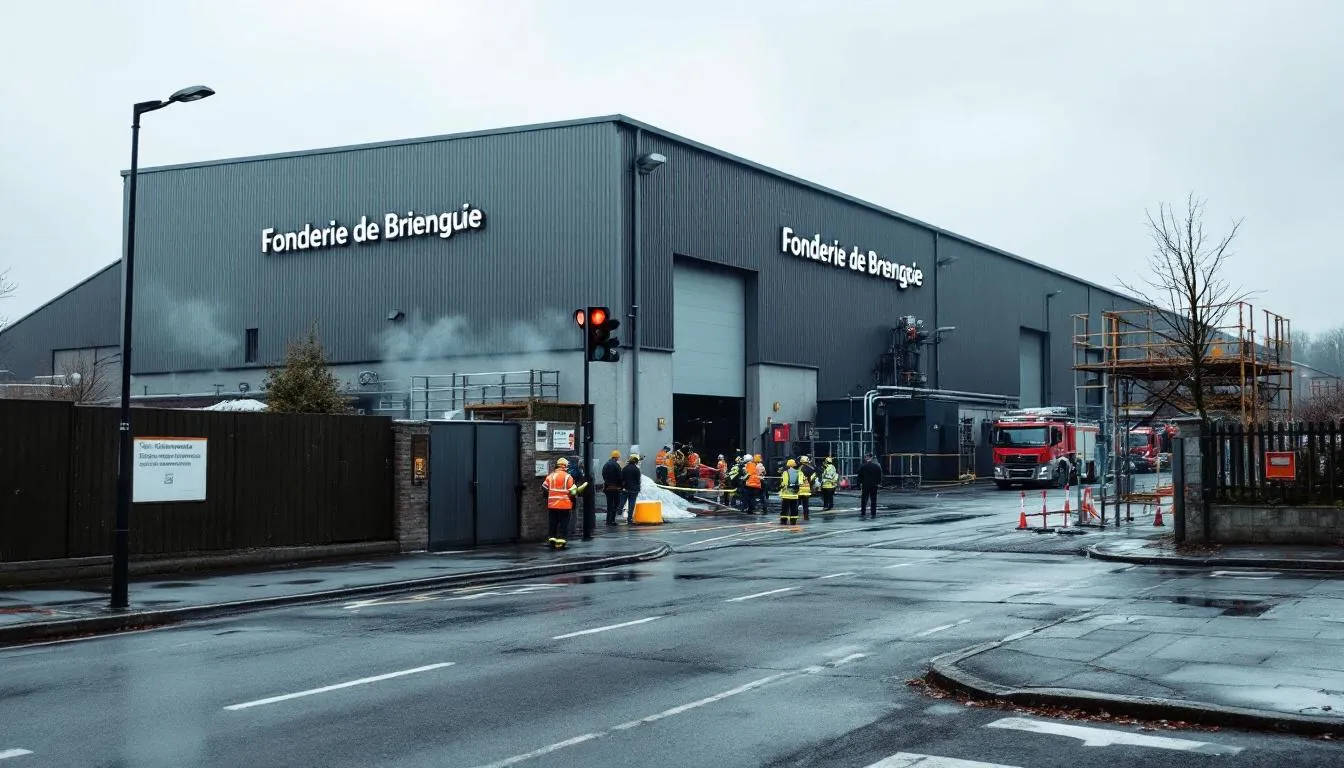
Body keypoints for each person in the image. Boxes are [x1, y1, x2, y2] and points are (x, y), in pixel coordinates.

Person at [543, 458, 577, 549]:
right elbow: (572, 491)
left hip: (552, 504)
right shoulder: (568, 477)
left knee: (553, 523)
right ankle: (561, 541)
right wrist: (573, 503)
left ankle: (552, 539)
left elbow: (544, 487)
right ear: (565, 466)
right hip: (564, 505)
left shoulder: (551, 476)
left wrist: (549, 496)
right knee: (564, 523)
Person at [567, 454, 595, 541]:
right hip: (574, 493)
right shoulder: (578, 471)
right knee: (574, 513)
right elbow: (582, 482)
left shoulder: (567, 471)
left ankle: (568, 529)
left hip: (565, 496)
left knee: (567, 514)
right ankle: (573, 529)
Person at [602, 450, 624, 526]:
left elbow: (604, 475)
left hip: (608, 488)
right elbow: (620, 477)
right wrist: (621, 486)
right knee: (616, 504)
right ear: (617, 457)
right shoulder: (616, 465)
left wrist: (607, 483)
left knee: (609, 505)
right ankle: (612, 520)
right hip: (615, 488)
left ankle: (608, 521)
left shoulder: (606, 464)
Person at [858, 452, 882, 519]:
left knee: (864, 499)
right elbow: (879, 476)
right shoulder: (876, 466)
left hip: (865, 485)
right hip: (874, 485)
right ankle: (873, 512)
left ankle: (863, 512)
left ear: (866, 458)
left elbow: (859, 476)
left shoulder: (862, 466)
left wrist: (859, 484)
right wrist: (878, 483)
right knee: (873, 499)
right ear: (871, 458)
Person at [621, 453, 643, 523]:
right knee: (631, 504)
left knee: (622, 502)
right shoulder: (636, 469)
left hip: (625, 488)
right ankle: (629, 518)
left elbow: (622, 478)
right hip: (634, 490)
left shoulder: (624, 468)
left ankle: (617, 513)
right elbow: (638, 480)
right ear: (635, 462)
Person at [778, 458, 801, 525]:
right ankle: (793, 520)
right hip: (794, 494)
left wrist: (781, 486)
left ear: (788, 465)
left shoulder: (785, 472)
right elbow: (800, 482)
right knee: (794, 508)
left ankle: (784, 521)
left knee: (785, 508)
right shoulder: (799, 472)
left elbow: (784, 483)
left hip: (786, 494)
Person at [797, 455, 816, 521]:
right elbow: (813, 479)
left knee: (797, 503)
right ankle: (806, 517)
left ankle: (795, 516)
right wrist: (811, 487)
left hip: (799, 489)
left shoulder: (799, 468)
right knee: (806, 505)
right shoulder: (811, 469)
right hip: (807, 489)